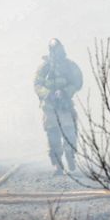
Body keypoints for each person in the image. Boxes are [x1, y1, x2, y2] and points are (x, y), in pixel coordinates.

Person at [34, 39, 83, 175]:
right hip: (49, 108)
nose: (58, 53)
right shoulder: (44, 68)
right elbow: (37, 85)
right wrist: (48, 94)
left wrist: (65, 92)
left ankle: (70, 155)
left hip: (65, 107)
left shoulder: (70, 66)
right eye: (55, 50)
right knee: (53, 137)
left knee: (70, 134)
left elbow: (78, 82)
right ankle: (57, 164)